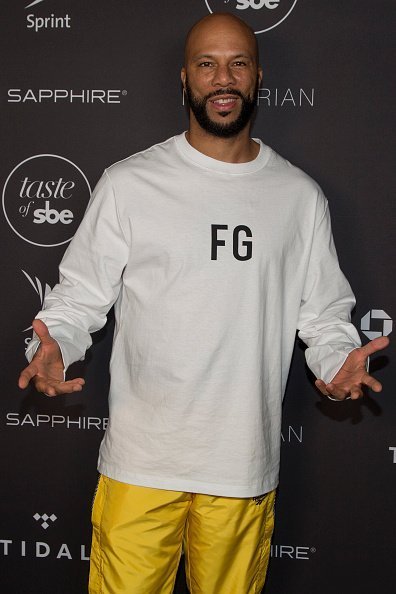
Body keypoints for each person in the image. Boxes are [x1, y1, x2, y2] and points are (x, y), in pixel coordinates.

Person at [18, 12, 388, 594]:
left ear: (258, 76)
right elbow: (80, 297)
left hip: (241, 464)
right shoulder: (129, 183)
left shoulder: (298, 197)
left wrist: (338, 359)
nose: (223, 78)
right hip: (141, 462)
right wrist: (57, 347)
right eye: (207, 64)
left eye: (237, 63)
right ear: (184, 78)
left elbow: (322, 315)